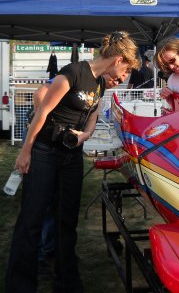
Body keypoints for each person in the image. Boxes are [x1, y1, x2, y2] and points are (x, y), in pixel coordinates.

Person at [5, 30, 140, 293]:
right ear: (118, 59)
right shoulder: (74, 72)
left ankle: (66, 280)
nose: (123, 78)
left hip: (71, 157)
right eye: (125, 70)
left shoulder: (100, 84)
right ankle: (20, 284)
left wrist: (85, 136)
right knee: (31, 220)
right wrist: (26, 151)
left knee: (66, 220)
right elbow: (42, 111)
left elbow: (92, 115)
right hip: (44, 152)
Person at [33, 71, 130, 270]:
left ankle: (60, 252)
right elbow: (40, 93)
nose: (117, 82)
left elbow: (92, 118)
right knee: (49, 204)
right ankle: (44, 253)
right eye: (117, 78)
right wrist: (46, 124)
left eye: (121, 81)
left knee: (66, 205)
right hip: (51, 149)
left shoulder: (100, 89)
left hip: (70, 151)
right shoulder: (78, 75)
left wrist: (84, 134)